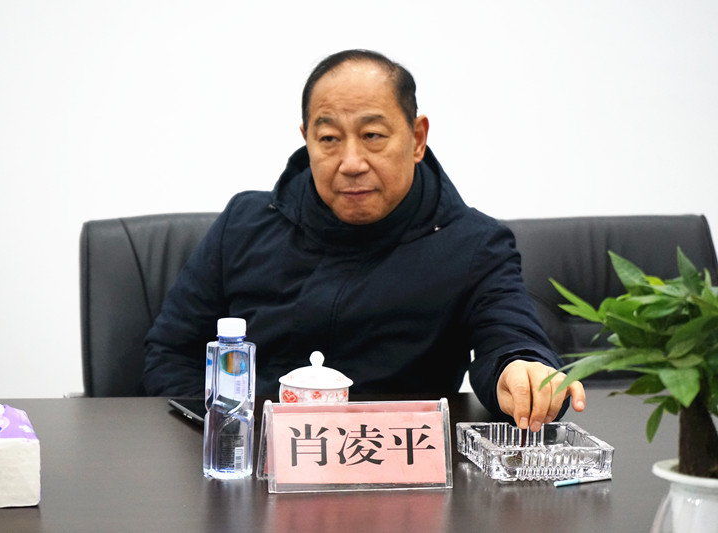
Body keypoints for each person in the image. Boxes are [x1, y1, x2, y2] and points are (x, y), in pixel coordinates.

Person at [144, 49, 586, 431]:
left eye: (372, 136)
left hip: (397, 470)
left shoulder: (473, 244)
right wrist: (227, 431)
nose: (351, 162)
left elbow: (509, 340)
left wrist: (520, 369)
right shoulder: (245, 222)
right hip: (251, 462)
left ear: (417, 138)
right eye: (329, 139)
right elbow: (171, 351)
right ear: (306, 140)